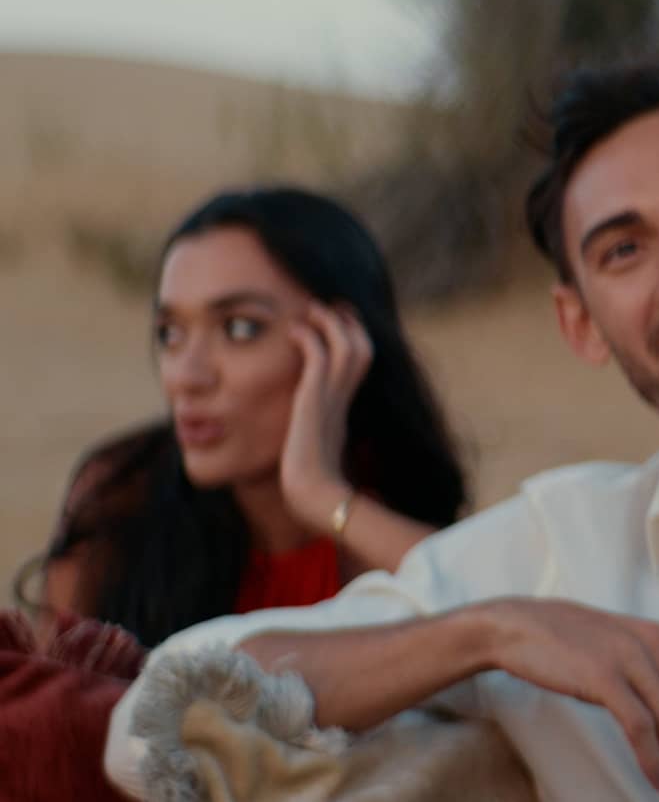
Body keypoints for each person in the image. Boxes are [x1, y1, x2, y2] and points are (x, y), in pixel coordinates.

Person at [105, 68, 659, 802]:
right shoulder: (558, 554)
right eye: (624, 250)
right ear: (580, 323)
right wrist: (491, 632)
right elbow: (153, 724)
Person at [1, 187, 467, 801]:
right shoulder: (123, 498)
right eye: (170, 332)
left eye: (239, 329)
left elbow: (502, 627)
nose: (187, 376)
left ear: (341, 342)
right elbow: (56, 734)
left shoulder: (389, 513)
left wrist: (319, 492)